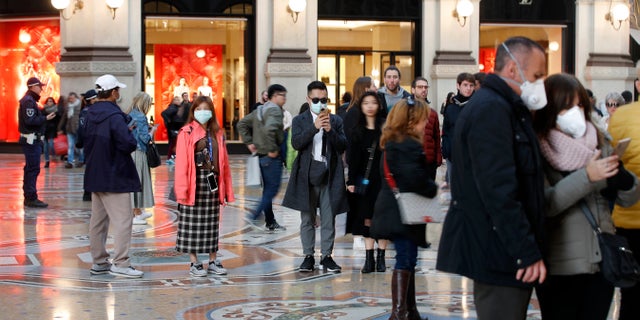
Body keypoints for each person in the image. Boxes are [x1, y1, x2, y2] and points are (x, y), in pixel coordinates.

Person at [436, 37, 548, 320]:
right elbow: (498, 188)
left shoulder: (504, 106)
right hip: (498, 251)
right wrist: (525, 250)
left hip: (503, 248)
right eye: (535, 76)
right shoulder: (492, 109)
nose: (538, 83)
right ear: (513, 69)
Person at [533, 73, 639, 319]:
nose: (576, 112)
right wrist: (588, 177)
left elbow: (628, 197)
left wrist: (623, 181)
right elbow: (545, 203)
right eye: (567, 106)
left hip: (602, 260)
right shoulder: (537, 146)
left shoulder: (600, 140)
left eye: (580, 105)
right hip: (560, 263)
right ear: (551, 109)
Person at [370, 97, 438, 319]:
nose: (425, 123)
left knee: (407, 259)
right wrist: (433, 188)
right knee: (405, 259)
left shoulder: (391, 142)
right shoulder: (407, 144)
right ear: (410, 121)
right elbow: (414, 178)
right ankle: (399, 313)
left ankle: (410, 311)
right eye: (422, 119)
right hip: (402, 213)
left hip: (394, 210)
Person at [283, 80, 348, 273]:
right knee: (307, 218)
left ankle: (327, 256)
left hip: (330, 175)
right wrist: (314, 127)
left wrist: (329, 130)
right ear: (308, 99)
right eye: (316, 99)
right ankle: (308, 255)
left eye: (324, 99)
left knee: (329, 218)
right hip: (307, 174)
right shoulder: (299, 120)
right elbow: (296, 143)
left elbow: (343, 145)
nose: (320, 103)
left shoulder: (335, 120)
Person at [84, 74, 144, 278]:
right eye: (118, 89)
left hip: (94, 174)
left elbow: (84, 142)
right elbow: (128, 144)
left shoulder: (89, 114)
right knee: (123, 220)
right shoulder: (114, 116)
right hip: (115, 174)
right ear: (113, 93)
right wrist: (128, 132)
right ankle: (121, 262)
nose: (119, 93)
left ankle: (99, 261)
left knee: (98, 221)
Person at [174, 96, 235, 277]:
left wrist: (227, 191)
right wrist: (182, 188)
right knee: (191, 224)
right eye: (198, 109)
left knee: (211, 224)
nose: (202, 112)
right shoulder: (186, 132)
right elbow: (182, 164)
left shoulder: (218, 133)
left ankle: (213, 260)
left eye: (206, 108)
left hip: (212, 181)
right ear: (193, 111)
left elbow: (224, 163)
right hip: (194, 182)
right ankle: (194, 262)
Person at [608, 73, 640, 320]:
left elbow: (611, 161)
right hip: (629, 215)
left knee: (631, 291)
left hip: (628, 219)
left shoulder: (621, 117)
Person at [345, 91, 388, 273]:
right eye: (366, 103)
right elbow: (352, 159)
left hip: (384, 180)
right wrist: (350, 181)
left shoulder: (386, 128)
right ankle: (369, 258)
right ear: (361, 107)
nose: (370, 106)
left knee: (383, 218)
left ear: (379, 105)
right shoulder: (357, 130)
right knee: (367, 219)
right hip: (364, 181)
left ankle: (381, 257)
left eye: (373, 102)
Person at [237, 84, 287, 232]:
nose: (284, 98)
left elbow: (242, 124)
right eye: (282, 95)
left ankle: (270, 221)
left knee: (267, 190)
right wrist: (272, 149)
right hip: (271, 157)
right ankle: (255, 215)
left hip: (261, 157)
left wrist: (249, 142)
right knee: (272, 190)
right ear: (274, 96)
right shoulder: (275, 111)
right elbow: (270, 129)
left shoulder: (260, 109)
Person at [19, 77, 55, 208]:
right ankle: (31, 197)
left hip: (32, 140)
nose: (41, 89)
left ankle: (29, 196)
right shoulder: (28, 101)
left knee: (31, 169)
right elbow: (30, 120)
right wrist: (44, 118)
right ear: (33, 87)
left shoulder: (30, 101)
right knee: (32, 169)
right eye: (40, 86)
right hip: (31, 140)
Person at [124, 92, 156, 226]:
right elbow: (145, 138)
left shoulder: (129, 114)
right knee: (139, 181)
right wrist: (152, 131)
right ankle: (136, 213)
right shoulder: (141, 117)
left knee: (133, 181)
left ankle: (137, 211)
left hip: (130, 152)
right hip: (139, 152)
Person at [441, 72, 475, 186]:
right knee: (454, 190)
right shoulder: (450, 106)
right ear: (458, 85)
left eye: (471, 85)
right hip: (452, 156)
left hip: (471, 156)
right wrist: (446, 150)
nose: (468, 88)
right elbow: (446, 129)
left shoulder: (477, 104)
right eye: (465, 85)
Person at [411, 77, 441, 180]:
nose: (424, 89)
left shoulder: (433, 113)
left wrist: (438, 159)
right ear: (413, 90)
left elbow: (436, 137)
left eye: (425, 87)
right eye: (420, 87)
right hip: (411, 161)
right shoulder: (406, 110)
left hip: (429, 162)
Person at [77, 89, 97, 201]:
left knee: (91, 168)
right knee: (90, 168)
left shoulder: (88, 111)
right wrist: (80, 142)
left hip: (91, 143)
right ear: (92, 100)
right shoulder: (86, 112)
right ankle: (88, 192)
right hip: (91, 143)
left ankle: (90, 191)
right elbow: (82, 129)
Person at [58, 92, 83, 168]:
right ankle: (70, 162)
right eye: (69, 98)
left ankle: (81, 160)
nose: (70, 100)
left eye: (72, 98)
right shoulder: (68, 107)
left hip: (78, 129)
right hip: (69, 129)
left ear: (75, 98)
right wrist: (59, 127)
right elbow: (64, 118)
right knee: (70, 146)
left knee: (79, 147)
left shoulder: (80, 106)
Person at [161, 96, 188, 165]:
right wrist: (169, 122)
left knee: (174, 144)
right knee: (173, 144)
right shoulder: (173, 108)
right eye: (177, 100)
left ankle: (172, 157)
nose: (178, 101)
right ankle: (170, 158)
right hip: (173, 129)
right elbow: (164, 113)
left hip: (174, 128)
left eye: (179, 100)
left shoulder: (176, 108)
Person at [42, 97, 60, 168]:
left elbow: (58, 121)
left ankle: (54, 155)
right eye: (48, 101)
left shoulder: (56, 111)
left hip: (52, 130)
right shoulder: (43, 111)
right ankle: (47, 161)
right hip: (45, 130)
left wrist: (59, 129)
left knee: (51, 144)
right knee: (45, 147)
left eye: (51, 101)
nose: (49, 103)